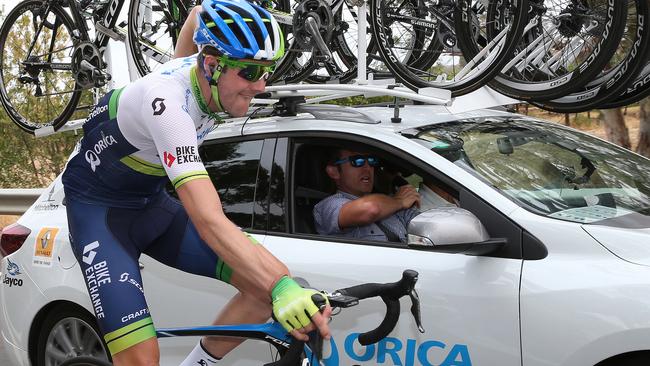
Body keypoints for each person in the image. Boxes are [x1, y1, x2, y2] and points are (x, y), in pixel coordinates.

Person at [61, 1, 331, 365]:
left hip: (152, 206)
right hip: (101, 219)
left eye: (266, 71)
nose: (260, 85)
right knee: (142, 359)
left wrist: (280, 287)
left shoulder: (204, 75)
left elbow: (196, 14)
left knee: (262, 289)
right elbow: (207, 219)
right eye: (249, 71)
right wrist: (283, 284)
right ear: (211, 65)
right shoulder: (167, 105)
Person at [313, 148, 421, 242]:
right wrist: (399, 201)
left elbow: (424, 223)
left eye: (371, 160)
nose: (367, 168)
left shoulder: (391, 204)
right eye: (357, 161)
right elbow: (371, 209)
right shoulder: (328, 206)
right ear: (334, 172)